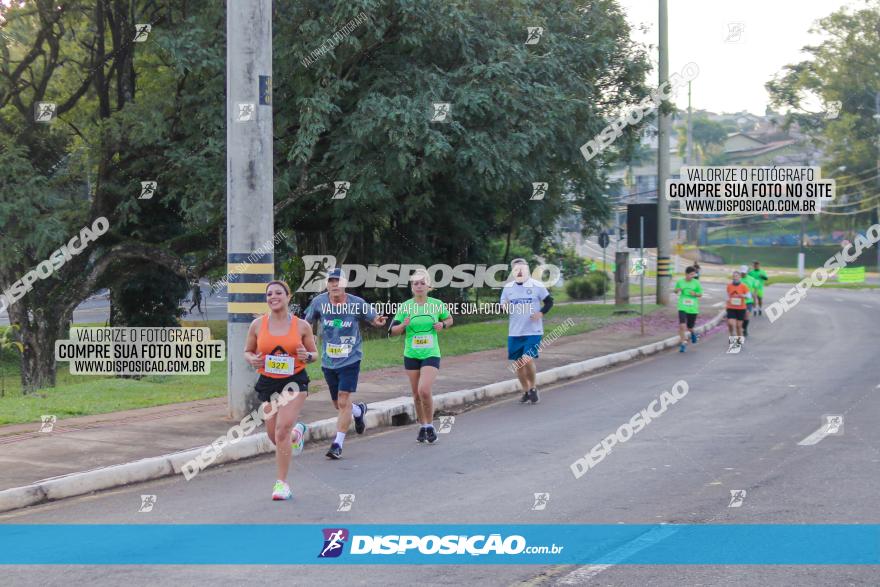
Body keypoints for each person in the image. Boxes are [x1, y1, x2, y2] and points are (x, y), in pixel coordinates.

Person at [244, 280, 318, 500]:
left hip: (294, 381)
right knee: (273, 434)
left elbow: (314, 354)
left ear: (288, 297)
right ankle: (298, 432)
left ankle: (282, 484)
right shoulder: (257, 325)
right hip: (268, 381)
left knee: (281, 430)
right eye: (269, 294)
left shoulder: (302, 326)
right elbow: (247, 351)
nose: (273, 297)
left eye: (278, 293)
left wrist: (307, 357)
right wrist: (253, 360)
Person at [304, 268, 387, 460]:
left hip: (351, 358)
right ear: (327, 285)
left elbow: (373, 318)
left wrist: (378, 321)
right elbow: (306, 323)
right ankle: (358, 411)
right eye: (331, 281)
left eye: (338, 281)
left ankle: (337, 444)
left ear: (344, 284)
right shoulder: (318, 302)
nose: (334, 285)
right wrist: (307, 339)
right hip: (328, 360)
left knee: (343, 400)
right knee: (339, 404)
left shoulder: (356, 303)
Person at [390, 270, 452, 444]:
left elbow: (449, 319)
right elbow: (393, 331)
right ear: (411, 287)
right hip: (411, 354)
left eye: (421, 283)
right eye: (415, 283)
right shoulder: (405, 306)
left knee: (424, 390)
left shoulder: (436, 304)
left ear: (428, 286)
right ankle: (422, 426)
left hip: (431, 353)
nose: (418, 286)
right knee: (416, 394)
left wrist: (443, 324)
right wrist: (403, 324)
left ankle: (430, 426)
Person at [500, 258, 553, 404]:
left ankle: (533, 387)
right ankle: (526, 390)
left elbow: (549, 301)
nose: (520, 271)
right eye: (516, 269)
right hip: (515, 332)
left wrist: (541, 313)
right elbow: (502, 304)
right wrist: (504, 306)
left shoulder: (537, 285)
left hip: (533, 331)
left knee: (527, 359)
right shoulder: (508, 288)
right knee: (518, 364)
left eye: (522, 269)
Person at [673, 266, 702, 352]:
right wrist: (677, 290)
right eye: (691, 274)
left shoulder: (696, 283)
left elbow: (700, 294)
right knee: (682, 325)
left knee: (690, 328)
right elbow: (675, 291)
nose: (693, 276)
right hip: (682, 306)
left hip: (693, 308)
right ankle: (683, 343)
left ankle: (693, 333)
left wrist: (695, 294)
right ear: (686, 274)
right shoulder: (680, 282)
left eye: (694, 274)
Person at [726, 271, 750, 350]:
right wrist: (727, 301)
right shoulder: (729, 286)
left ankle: (739, 340)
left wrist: (743, 295)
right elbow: (727, 296)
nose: (735, 277)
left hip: (741, 308)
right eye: (734, 276)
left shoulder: (743, 286)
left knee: (738, 326)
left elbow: (748, 296)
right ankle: (732, 334)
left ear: (740, 277)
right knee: (730, 323)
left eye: (737, 276)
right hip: (731, 307)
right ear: (732, 277)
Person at [740, 265, 760, 337]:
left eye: (744, 273)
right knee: (741, 317)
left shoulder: (751, 279)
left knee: (746, 315)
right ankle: (741, 328)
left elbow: (756, 288)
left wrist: (754, 296)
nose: (743, 274)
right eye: (742, 272)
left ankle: (744, 329)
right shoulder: (738, 280)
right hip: (739, 302)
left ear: (746, 272)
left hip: (748, 301)